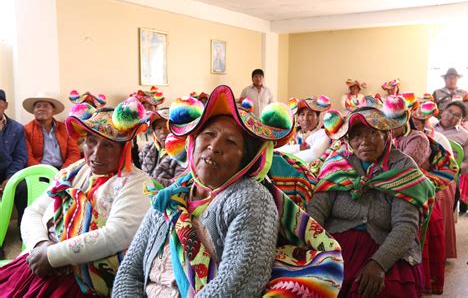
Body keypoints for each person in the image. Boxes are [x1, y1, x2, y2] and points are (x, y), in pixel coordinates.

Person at [113, 85, 343, 297]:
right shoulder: (171, 197)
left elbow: (237, 284)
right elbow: (130, 271)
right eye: (208, 134)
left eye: (231, 141)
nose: (214, 146)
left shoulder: (250, 198)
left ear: (248, 160)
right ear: (192, 143)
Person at [0, 99, 152, 297]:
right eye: (91, 141)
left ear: (124, 149)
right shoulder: (74, 171)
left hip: (82, 278)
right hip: (41, 258)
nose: (96, 153)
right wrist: (40, 245)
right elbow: (34, 211)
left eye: (108, 145)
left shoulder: (137, 183)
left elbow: (116, 234)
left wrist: (53, 256)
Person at [309, 96, 436, 298]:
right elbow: (316, 212)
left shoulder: (403, 167)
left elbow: (405, 225)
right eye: (357, 135)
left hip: (385, 246)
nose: (365, 141)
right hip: (335, 245)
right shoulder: (337, 164)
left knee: (385, 291)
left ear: (387, 135)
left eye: (372, 132)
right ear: (348, 140)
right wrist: (319, 252)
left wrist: (378, 263)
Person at [16, 93, 81, 228]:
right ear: (33, 111)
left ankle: (69, 224)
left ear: (53, 110)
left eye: (45, 106)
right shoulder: (26, 129)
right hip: (38, 171)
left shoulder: (65, 128)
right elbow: (27, 156)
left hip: (63, 169)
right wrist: (44, 172)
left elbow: (74, 152)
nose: (41, 108)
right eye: (38, 106)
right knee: (22, 188)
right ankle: (24, 226)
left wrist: (64, 170)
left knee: (81, 182)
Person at [412, 101, 458, 260]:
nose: (412, 126)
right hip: (418, 178)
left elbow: (449, 168)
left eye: (416, 123)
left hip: (439, 179)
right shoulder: (402, 138)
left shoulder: (438, 138)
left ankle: (435, 253)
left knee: (437, 197)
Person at [0, 89, 28, 260]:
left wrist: (9, 179)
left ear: (5, 105)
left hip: (9, 174)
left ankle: (23, 231)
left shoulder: (17, 128)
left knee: (23, 186)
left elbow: (20, 156)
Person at [434, 101, 468, 213]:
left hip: (448, 177)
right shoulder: (429, 128)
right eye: (449, 111)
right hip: (424, 172)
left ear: (462, 120)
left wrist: (455, 168)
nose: (451, 116)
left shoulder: (465, 136)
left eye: (457, 115)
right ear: (442, 112)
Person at [139, 108, 185, 187]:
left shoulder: (182, 152)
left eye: (166, 127)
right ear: (154, 131)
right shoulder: (148, 148)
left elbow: (180, 183)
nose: (163, 131)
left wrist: (146, 182)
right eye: (158, 128)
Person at [278, 96, 331, 163]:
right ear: (298, 119)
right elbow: (278, 150)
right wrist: (299, 148)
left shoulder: (323, 133)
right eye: (302, 114)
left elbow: (314, 154)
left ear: (317, 118)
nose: (305, 118)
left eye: (310, 115)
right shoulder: (291, 134)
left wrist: (287, 159)